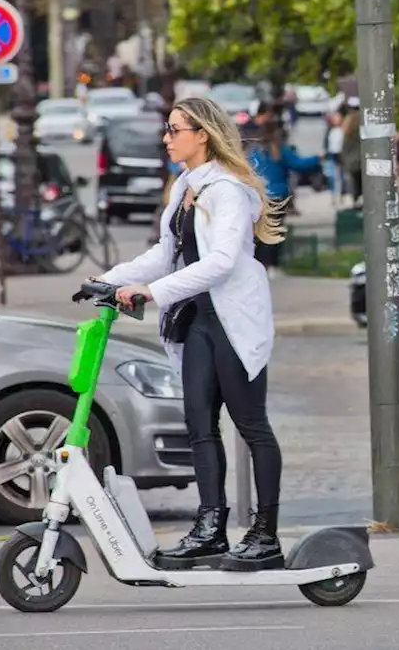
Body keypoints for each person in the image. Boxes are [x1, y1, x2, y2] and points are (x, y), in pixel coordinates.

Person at [98, 96, 288, 571]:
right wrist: (110, 280)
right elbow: (166, 253)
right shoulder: (183, 186)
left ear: (202, 134)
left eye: (174, 129)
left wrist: (152, 292)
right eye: (168, 129)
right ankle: (211, 530)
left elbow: (221, 263)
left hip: (231, 320)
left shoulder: (226, 190)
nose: (166, 137)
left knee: (251, 425)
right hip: (197, 321)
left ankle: (266, 534)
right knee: (199, 426)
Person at [247, 117, 322, 274]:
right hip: (277, 196)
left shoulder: (253, 151)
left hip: (257, 196)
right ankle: (273, 265)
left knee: (257, 232)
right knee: (274, 231)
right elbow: (299, 164)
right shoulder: (279, 149)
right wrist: (317, 157)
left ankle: (257, 265)